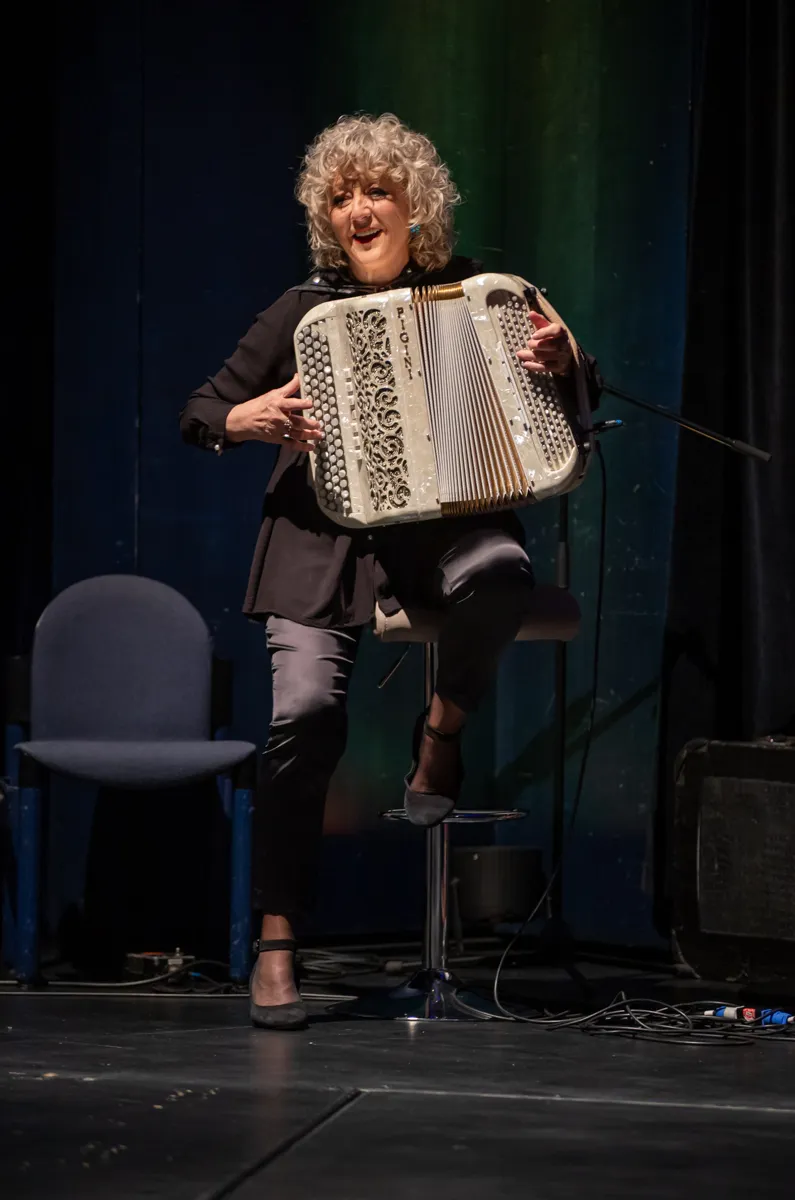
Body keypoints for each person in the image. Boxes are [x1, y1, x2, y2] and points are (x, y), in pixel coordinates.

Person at [181, 113, 599, 1030]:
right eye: (340, 197)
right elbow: (204, 408)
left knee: (501, 572)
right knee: (304, 718)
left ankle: (441, 731)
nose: (358, 210)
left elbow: (572, 393)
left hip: (445, 531)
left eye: (378, 191)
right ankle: (279, 940)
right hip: (319, 541)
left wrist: (563, 361)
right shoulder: (301, 310)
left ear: (417, 208)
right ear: (325, 218)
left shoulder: (481, 295)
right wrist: (244, 421)